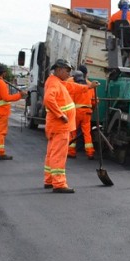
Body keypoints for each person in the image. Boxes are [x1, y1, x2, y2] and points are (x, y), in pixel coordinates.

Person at [42, 59, 78, 193]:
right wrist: (60, 115)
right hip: (60, 126)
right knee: (59, 155)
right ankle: (59, 183)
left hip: (55, 126)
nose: (69, 73)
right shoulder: (54, 83)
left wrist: (88, 87)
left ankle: (49, 180)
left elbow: (74, 87)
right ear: (58, 70)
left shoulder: (57, 82)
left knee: (52, 153)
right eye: (67, 70)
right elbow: (48, 99)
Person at [67, 69, 97, 160]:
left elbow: (68, 99)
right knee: (87, 133)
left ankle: (71, 152)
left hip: (76, 111)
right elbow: (95, 101)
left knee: (73, 132)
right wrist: (92, 109)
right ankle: (90, 152)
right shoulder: (90, 84)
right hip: (87, 112)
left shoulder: (71, 83)